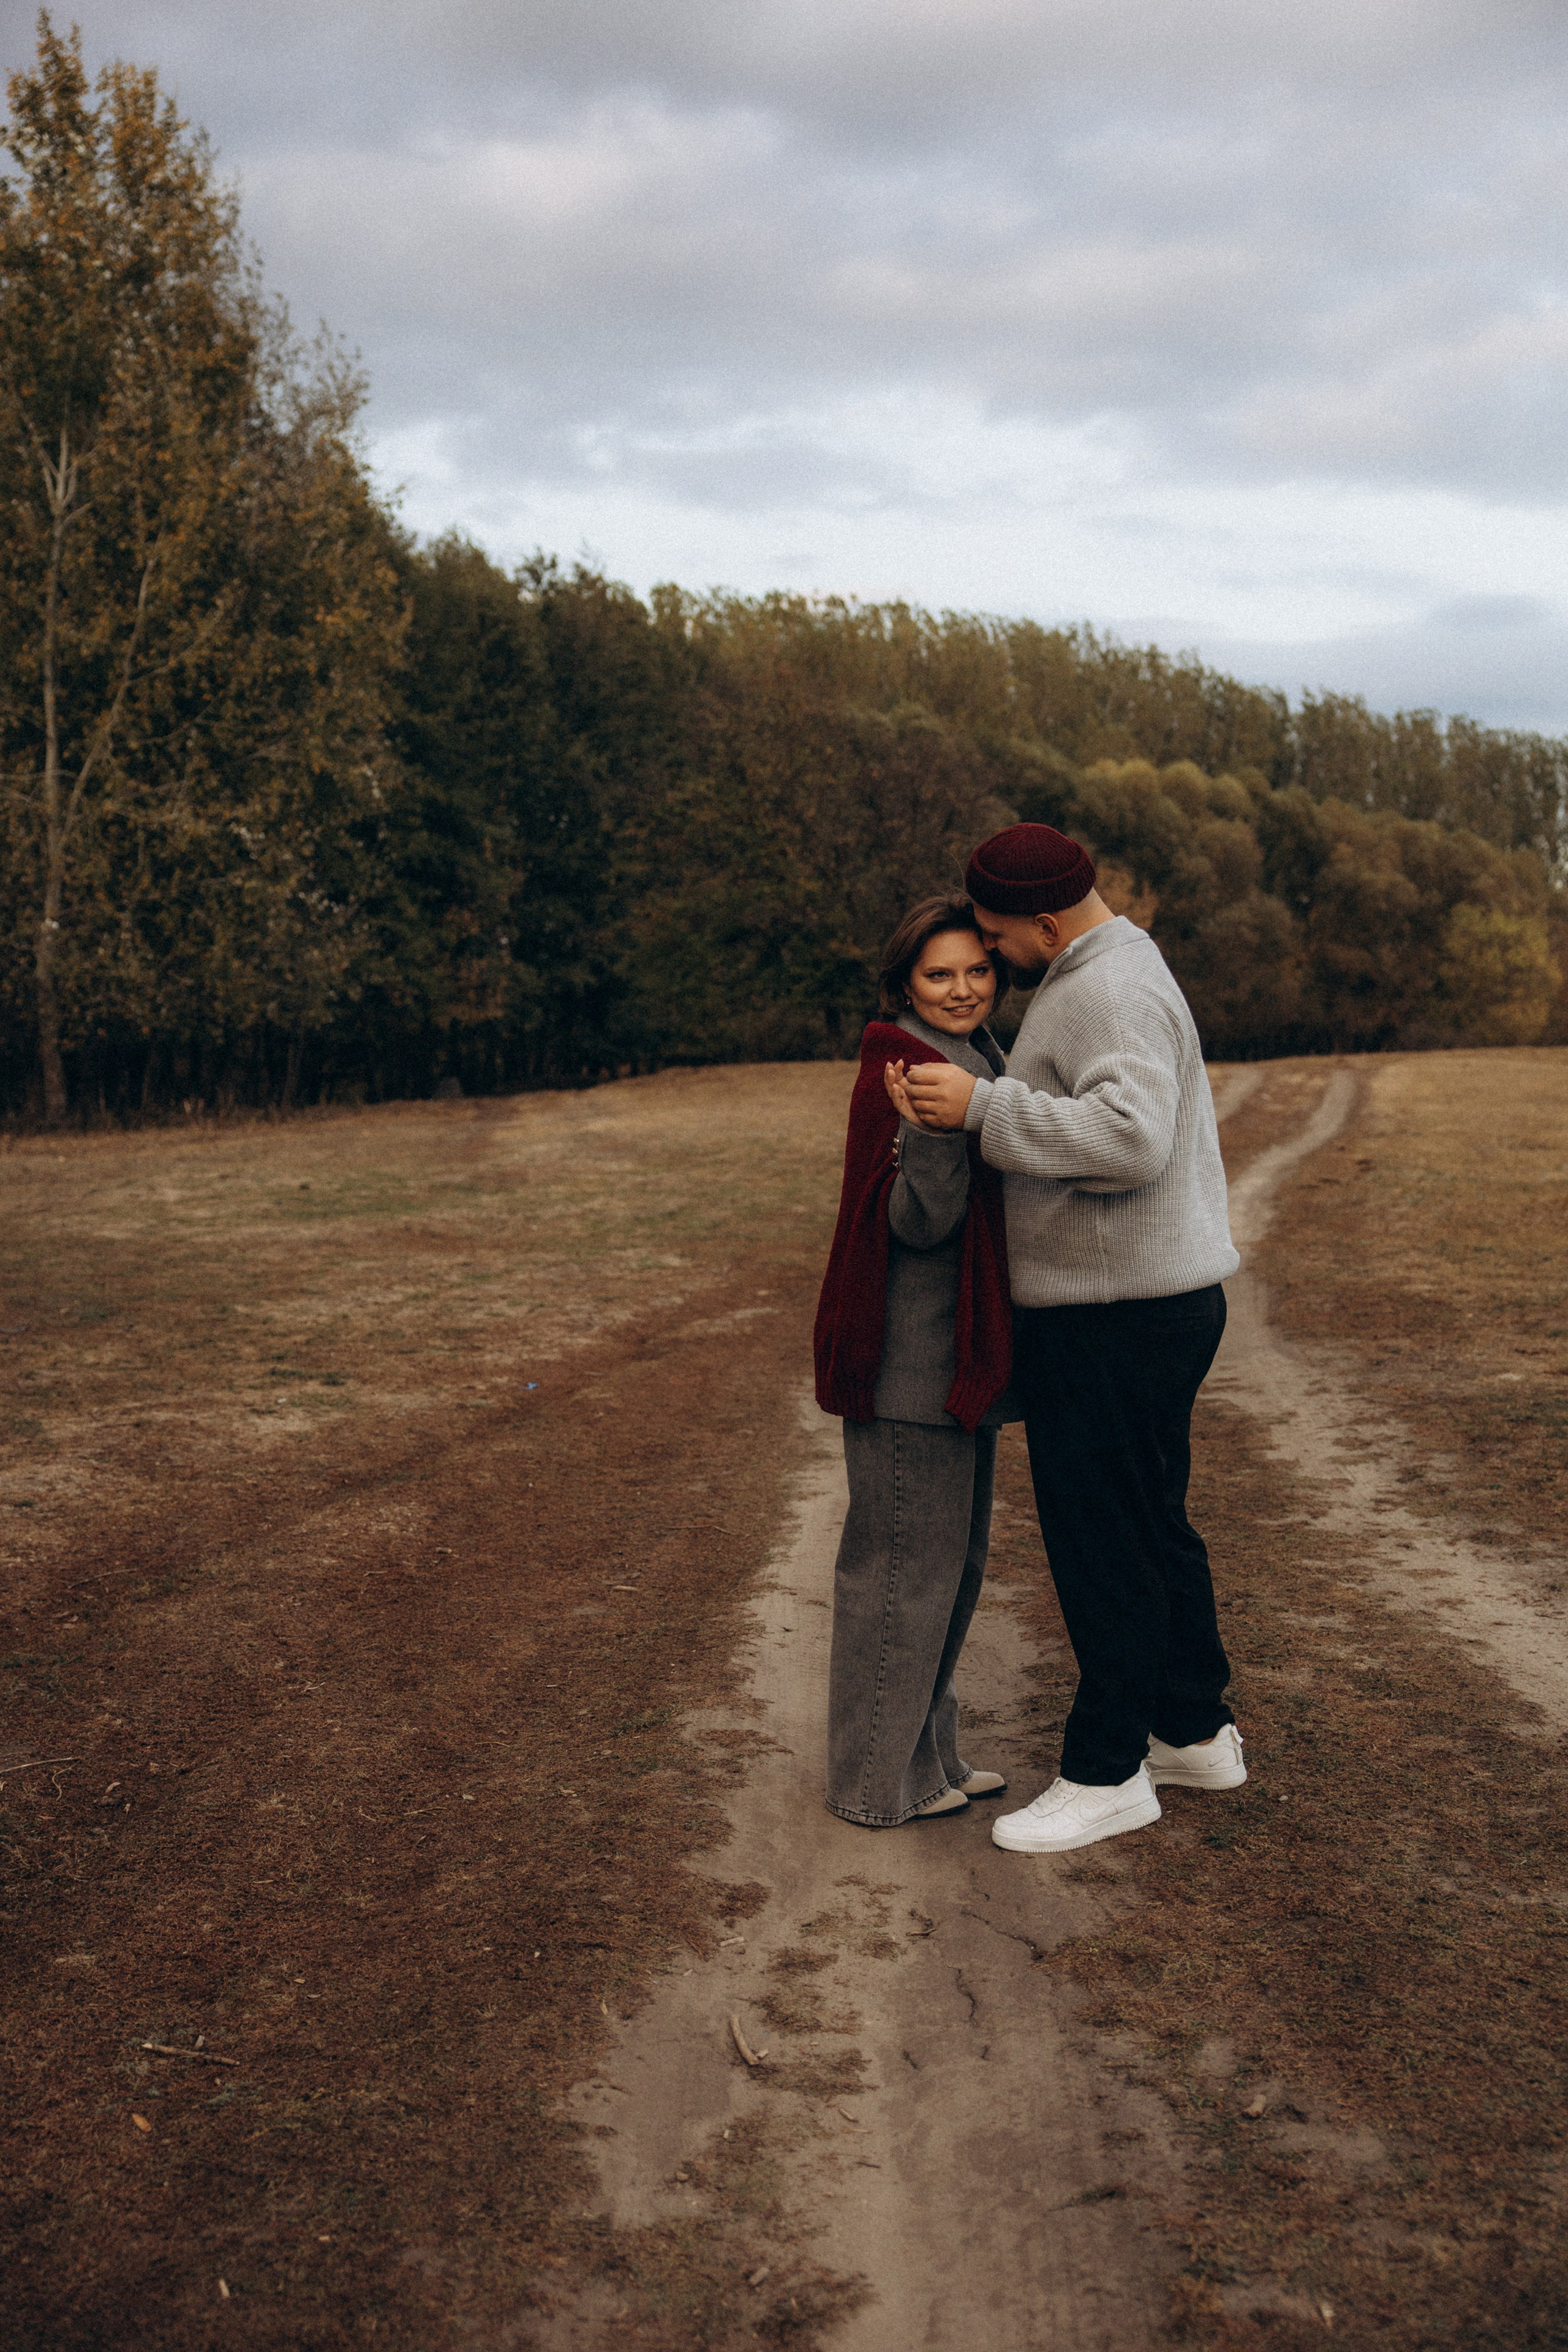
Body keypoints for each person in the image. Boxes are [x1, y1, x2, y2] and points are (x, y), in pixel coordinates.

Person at [900, 824, 1243, 1856]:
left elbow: (1133, 1137)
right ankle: (1193, 1728)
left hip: (1115, 1317)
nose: (991, 954)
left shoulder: (1103, 988)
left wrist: (981, 1109)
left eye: (999, 937)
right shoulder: (1115, 963)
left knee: (1105, 1545)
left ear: (1047, 922)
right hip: (1144, 1305)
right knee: (1151, 1525)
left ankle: (1108, 1772)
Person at [813, 898, 1018, 1826]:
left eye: (978, 970)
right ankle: (872, 1785)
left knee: (952, 1571)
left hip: (958, 1365)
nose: (964, 988)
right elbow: (912, 1224)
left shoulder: (980, 1058)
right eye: (941, 975)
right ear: (905, 983)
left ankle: (929, 1760)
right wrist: (937, 1142)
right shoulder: (898, 1069)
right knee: (900, 1577)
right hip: (908, 1371)